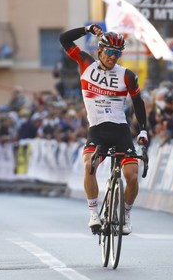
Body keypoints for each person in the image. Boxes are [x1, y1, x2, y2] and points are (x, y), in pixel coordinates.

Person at [59, 24, 148, 235]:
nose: (113, 57)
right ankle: (93, 213)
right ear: (100, 50)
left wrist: (143, 130)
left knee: (132, 176)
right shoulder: (86, 64)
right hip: (97, 130)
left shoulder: (127, 75)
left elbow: (138, 103)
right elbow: (64, 38)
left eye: (117, 53)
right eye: (109, 52)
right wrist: (87, 29)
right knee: (90, 164)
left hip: (120, 131)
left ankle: (125, 215)